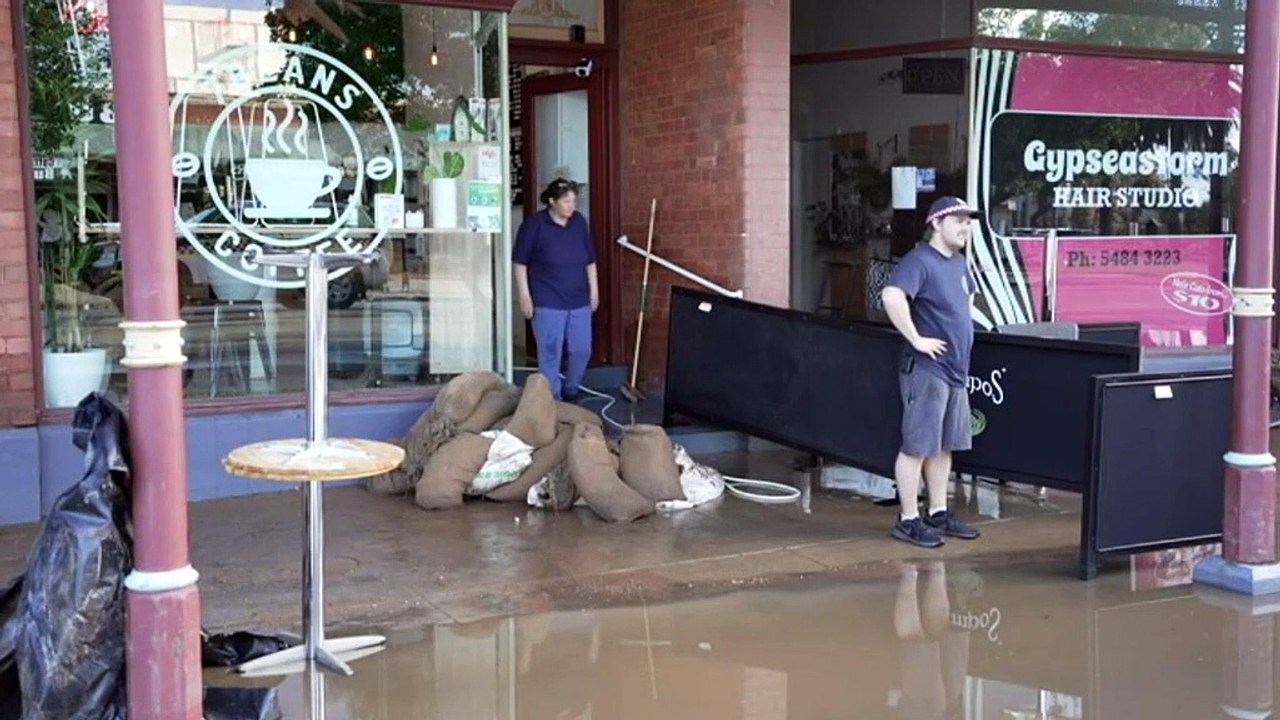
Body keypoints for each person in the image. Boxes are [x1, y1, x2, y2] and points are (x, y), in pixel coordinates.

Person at [880, 196, 983, 548]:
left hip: (955, 369)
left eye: (969, 222)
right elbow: (892, 296)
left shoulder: (958, 263)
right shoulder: (919, 260)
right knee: (917, 446)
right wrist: (917, 339)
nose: (966, 228)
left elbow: (966, 302)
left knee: (944, 445)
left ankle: (937, 511)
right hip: (927, 369)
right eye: (959, 221)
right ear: (937, 223)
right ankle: (908, 519)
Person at [514, 178, 599, 401]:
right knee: (550, 353)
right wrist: (524, 295)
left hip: (579, 297)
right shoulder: (534, 225)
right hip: (547, 298)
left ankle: (571, 388)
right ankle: (553, 399)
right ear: (552, 201)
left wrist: (594, 291)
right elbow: (520, 262)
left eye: (574, 200)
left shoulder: (579, 222)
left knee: (582, 350)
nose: (572, 205)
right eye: (566, 201)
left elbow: (590, 260)